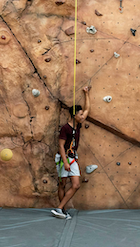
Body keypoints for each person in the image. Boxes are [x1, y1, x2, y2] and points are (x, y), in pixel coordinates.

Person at [51, 86, 91, 220]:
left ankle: (59, 208)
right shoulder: (65, 128)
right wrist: (65, 162)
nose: (82, 116)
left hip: (73, 158)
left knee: (76, 185)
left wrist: (86, 93)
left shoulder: (78, 124)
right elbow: (61, 146)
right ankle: (62, 210)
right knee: (62, 184)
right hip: (64, 158)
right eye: (79, 114)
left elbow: (87, 110)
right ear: (74, 115)